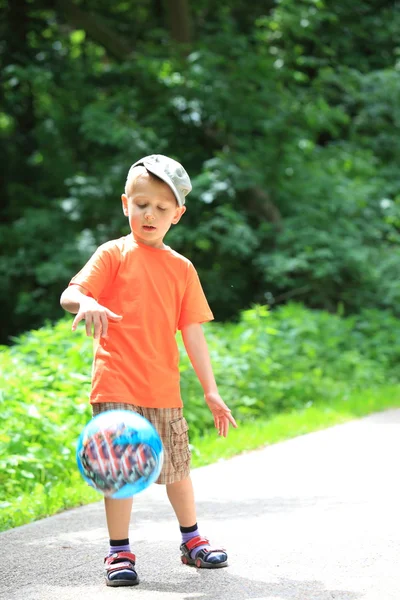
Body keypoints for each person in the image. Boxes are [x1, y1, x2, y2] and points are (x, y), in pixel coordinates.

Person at [60, 154, 238, 587]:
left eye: (161, 208)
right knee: (118, 471)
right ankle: (119, 552)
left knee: (177, 469)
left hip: (163, 390)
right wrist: (86, 301)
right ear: (126, 204)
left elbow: (192, 333)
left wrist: (210, 390)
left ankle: (192, 542)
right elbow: (71, 293)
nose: (150, 214)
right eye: (142, 204)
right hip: (116, 382)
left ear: (178, 214)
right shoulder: (113, 254)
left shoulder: (182, 268)